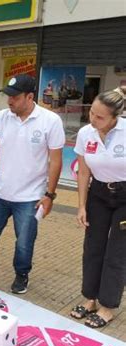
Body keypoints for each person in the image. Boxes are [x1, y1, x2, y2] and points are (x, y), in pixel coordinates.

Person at [0, 74, 65, 294]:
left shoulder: (50, 121)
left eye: (15, 97)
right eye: (8, 96)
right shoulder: (2, 118)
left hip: (30, 197)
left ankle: (21, 275)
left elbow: (56, 161)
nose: (10, 101)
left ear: (29, 97)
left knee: (24, 241)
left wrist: (50, 194)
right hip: (0, 192)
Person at [69, 90, 125, 328]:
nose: (93, 119)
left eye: (100, 117)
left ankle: (108, 306)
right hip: (99, 194)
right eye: (91, 112)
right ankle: (90, 297)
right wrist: (81, 205)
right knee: (93, 247)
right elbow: (83, 172)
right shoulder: (85, 133)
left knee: (117, 252)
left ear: (115, 117)